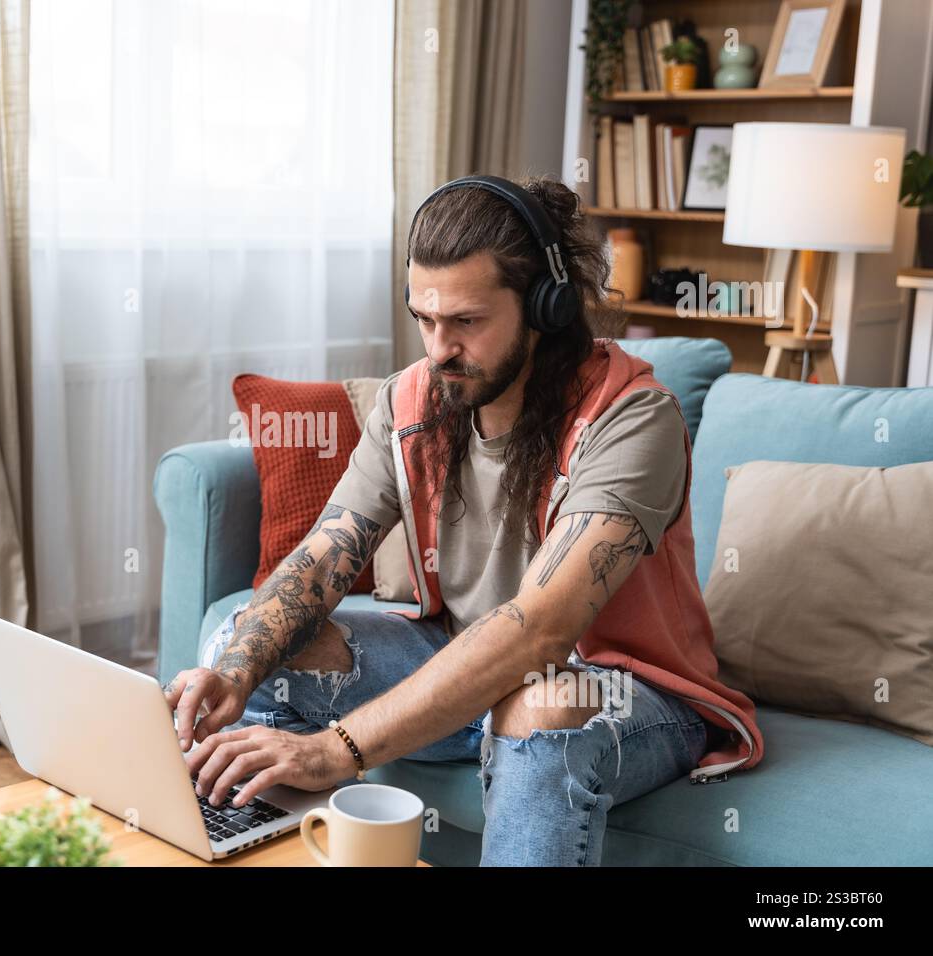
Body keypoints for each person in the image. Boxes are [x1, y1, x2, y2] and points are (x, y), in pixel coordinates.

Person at [164, 174, 762, 866]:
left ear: (546, 305)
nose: (438, 347)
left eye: (466, 323)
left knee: (540, 706)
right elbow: (324, 556)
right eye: (425, 318)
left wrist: (337, 750)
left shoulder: (633, 420)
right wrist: (235, 670)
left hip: (625, 689)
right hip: (462, 658)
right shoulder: (412, 400)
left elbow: (537, 632)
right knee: (251, 641)